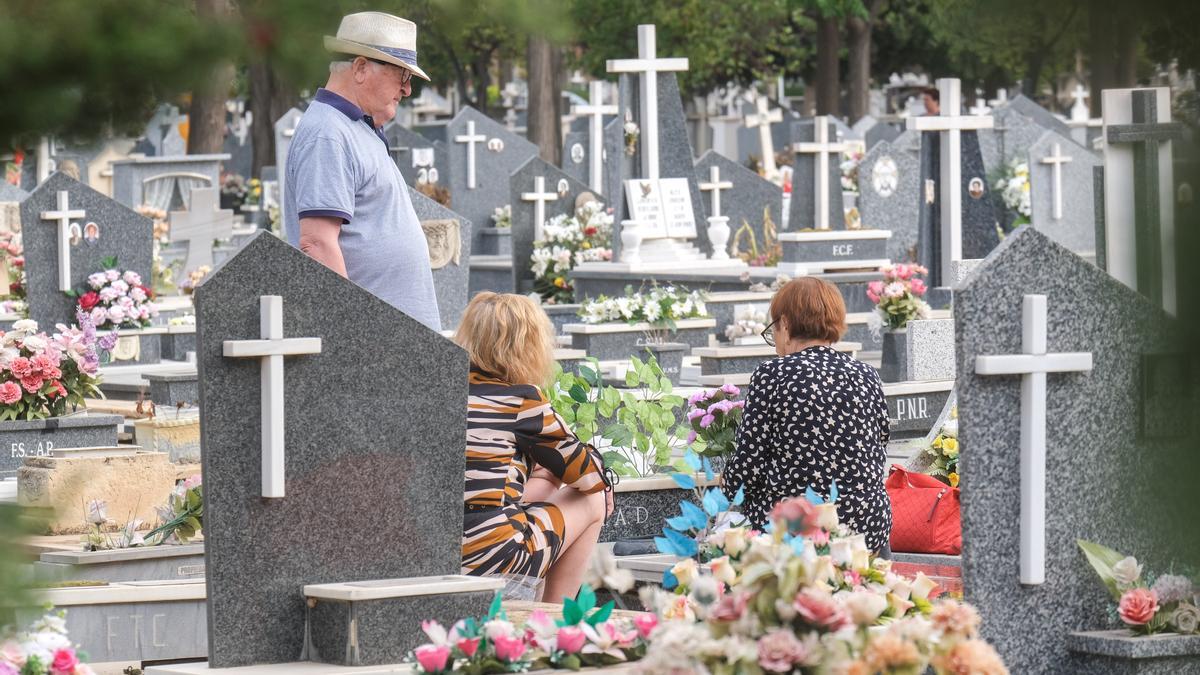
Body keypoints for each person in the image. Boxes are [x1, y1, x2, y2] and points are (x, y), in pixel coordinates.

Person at [282, 12, 441, 331]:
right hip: (374, 346)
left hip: (396, 341)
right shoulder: (328, 134)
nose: (407, 90)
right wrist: (355, 341)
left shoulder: (353, 128)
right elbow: (317, 244)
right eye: (402, 76)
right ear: (360, 68)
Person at [456, 292, 612, 601]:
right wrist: (562, 469)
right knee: (592, 502)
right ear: (527, 345)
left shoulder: (444, 390)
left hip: (433, 552)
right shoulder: (520, 399)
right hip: (489, 556)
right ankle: (553, 626)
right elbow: (589, 475)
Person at [722, 277, 892, 554]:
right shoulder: (866, 375)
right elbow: (880, 443)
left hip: (797, 531)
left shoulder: (773, 374)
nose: (775, 340)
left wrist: (724, 486)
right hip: (867, 529)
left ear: (785, 324)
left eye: (773, 329)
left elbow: (748, 464)